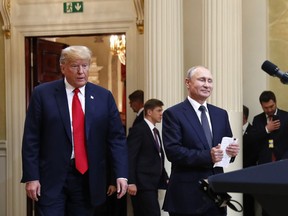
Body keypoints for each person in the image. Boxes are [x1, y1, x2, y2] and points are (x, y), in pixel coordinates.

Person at [21, 45, 128, 216]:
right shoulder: (42, 94)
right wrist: (31, 177)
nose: (81, 71)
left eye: (85, 65)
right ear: (62, 68)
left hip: (87, 178)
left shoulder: (103, 96)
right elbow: (31, 138)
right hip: (51, 178)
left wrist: (121, 174)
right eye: (75, 66)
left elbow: (116, 139)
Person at [162, 66, 240, 216]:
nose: (207, 85)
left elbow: (224, 154)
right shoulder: (174, 114)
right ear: (188, 83)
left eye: (210, 81)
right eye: (202, 80)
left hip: (216, 195)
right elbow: (173, 152)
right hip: (186, 196)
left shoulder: (220, 114)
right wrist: (208, 156)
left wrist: (231, 153)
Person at [127, 98, 169, 216]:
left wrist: (165, 176)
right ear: (149, 112)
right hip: (142, 184)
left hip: (152, 183)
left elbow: (158, 156)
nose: (162, 114)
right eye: (159, 110)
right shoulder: (139, 129)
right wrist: (131, 182)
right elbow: (130, 157)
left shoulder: (155, 131)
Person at [251, 90, 288, 216]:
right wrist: (267, 129)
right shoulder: (258, 120)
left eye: (271, 106)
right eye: (266, 108)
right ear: (261, 106)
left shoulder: (286, 117)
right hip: (264, 166)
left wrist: (284, 160)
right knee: (267, 201)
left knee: (283, 200)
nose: (269, 110)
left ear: (275, 102)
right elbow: (253, 139)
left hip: (283, 164)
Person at [242, 105, 257, 216]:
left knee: (248, 203)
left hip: (249, 173)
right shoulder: (232, 130)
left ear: (244, 117)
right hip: (235, 174)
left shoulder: (253, 131)